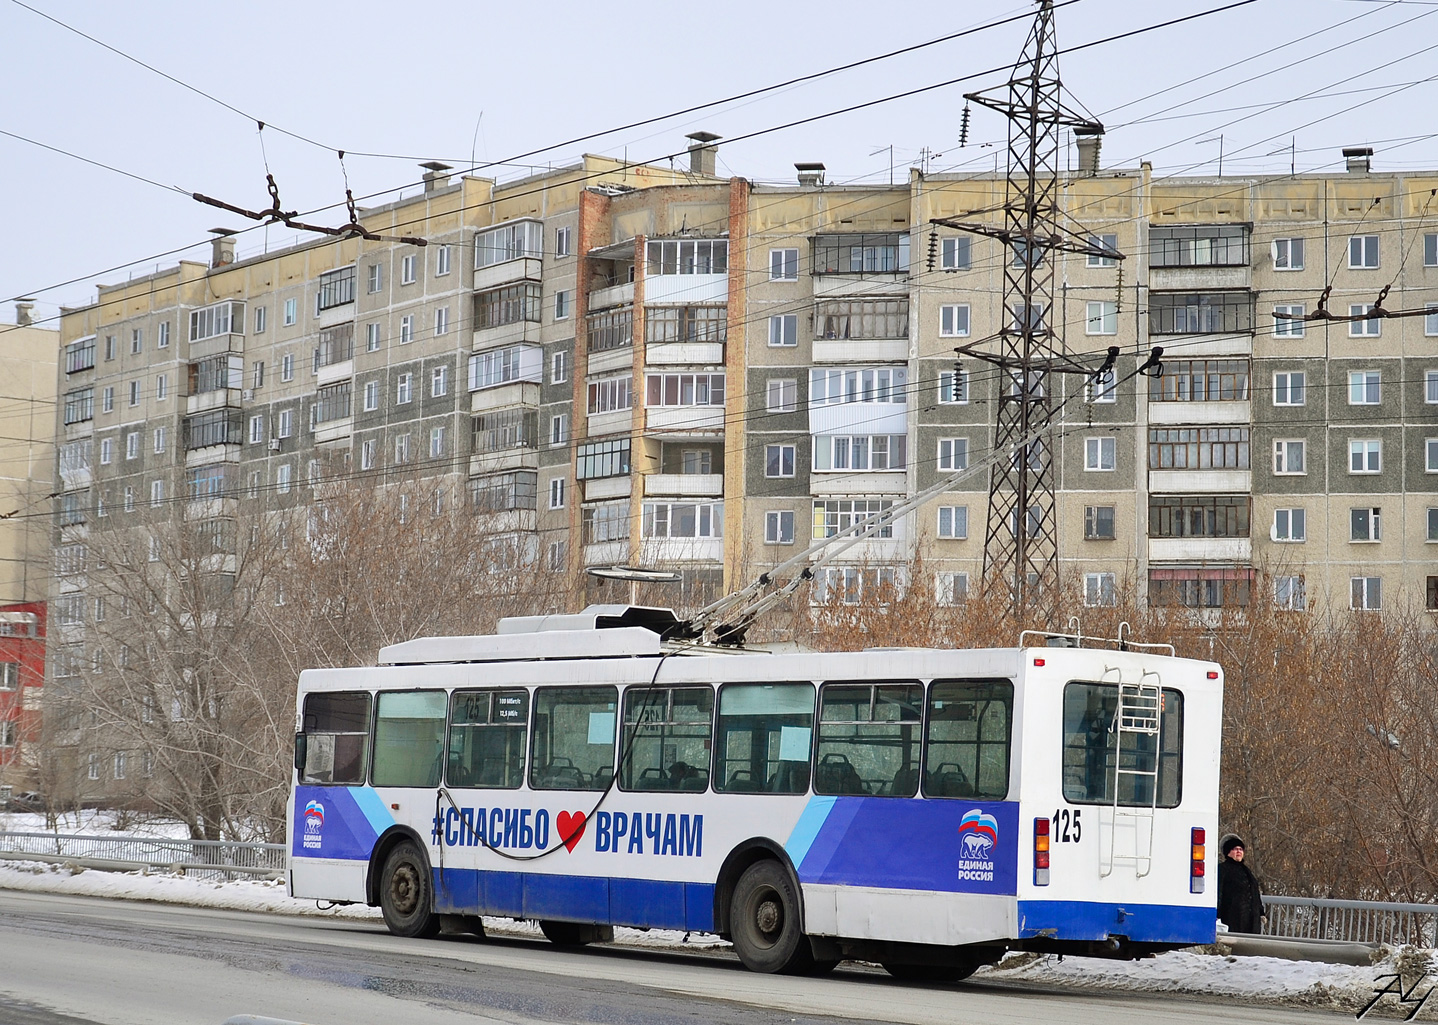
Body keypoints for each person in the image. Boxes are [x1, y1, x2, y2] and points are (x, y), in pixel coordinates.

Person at [1217, 834, 1265, 934]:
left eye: (1241, 849)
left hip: (1252, 920)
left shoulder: (1247, 870)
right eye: (1235, 849)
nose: (1239, 851)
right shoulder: (1222, 869)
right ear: (1228, 852)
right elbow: (1218, 892)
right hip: (1232, 917)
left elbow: (1255, 893)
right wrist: (1218, 913)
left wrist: (1261, 913)